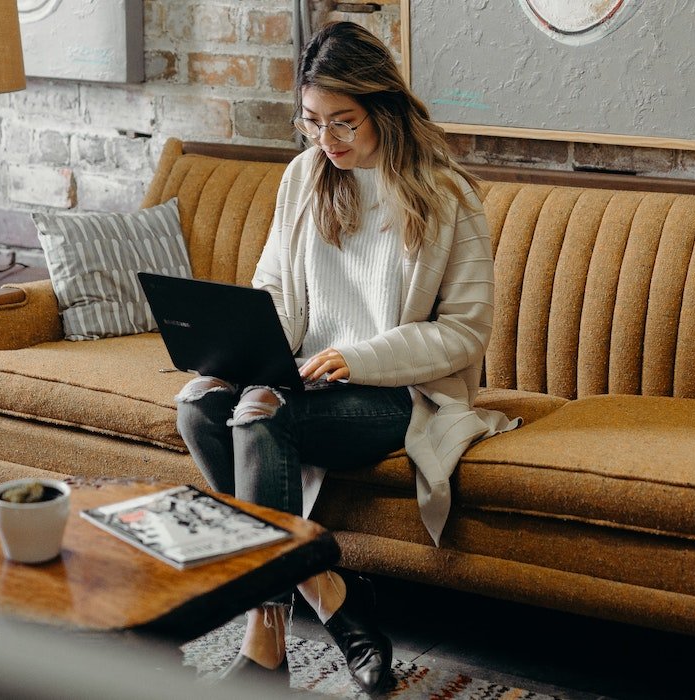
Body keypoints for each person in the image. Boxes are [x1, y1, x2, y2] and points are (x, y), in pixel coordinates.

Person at [174, 20, 519, 694]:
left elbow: (465, 333)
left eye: (343, 123)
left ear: (383, 110)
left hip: (394, 391)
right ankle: (328, 586)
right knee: (200, 403)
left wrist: (356, 358)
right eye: (311, 122)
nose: (325, 141)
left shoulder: (448, 196)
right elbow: (273, 285)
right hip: (301, 374)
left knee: (258, 415)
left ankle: (264, 643)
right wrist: (243, 346)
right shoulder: (305, 177)